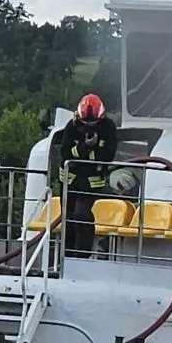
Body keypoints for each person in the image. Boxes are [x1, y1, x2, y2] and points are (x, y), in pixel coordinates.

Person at [56, 93, 118, 258]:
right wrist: (85, 147)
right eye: (85, 123)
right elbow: (65, 153)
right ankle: (66, 257)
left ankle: (83, 256)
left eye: (93, 123)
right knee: (68, 221)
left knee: (82, 215)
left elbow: (107, 156)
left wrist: (93, 148)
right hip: (70, 181)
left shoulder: (108, 128)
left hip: (91, 183)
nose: (89, 127)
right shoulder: (72, 126)